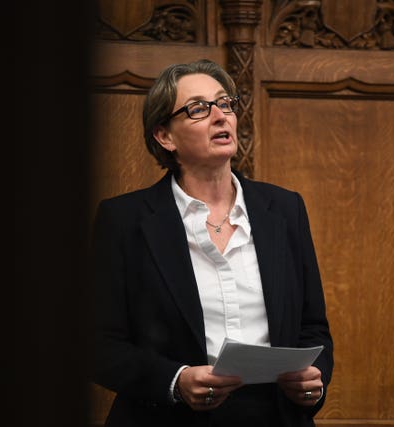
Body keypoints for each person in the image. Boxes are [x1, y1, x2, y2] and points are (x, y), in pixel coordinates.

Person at [91, 59, 333, 427]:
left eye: (225, 103)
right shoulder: (124, 220)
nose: (221, 116)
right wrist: (176, 381)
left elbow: (313, 328)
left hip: (276, 416)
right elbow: (99, 345)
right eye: (199, 109)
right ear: (164, 136)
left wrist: (313, 381)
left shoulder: (285, 209)